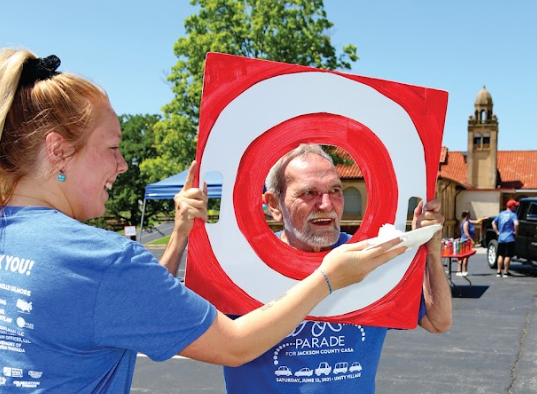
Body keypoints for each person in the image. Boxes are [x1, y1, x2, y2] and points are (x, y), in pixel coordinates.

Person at [0, 49, 406, 393]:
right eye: (112, 147)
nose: (123, 164)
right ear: (57, 150)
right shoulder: (100, 261)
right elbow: (234, 346)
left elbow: (127, 306)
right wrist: (329, 277)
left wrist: (178, 238)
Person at [221, 144, 452, 393]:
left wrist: (430, 250)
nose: (326, 204)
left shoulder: (371, 255)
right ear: (274, 205)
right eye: (309, 193)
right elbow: (198, 337)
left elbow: (437, 320)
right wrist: (181, 237)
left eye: (335, 190)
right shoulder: (244, 266)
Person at [492, 199, 520, 278]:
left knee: (501, 255)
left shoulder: (501, 214)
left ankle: (498, 271)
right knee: (508, 255)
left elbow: (493, 222)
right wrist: (515, 231)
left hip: (501, 238)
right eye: (515, 206)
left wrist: (497, 232)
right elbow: (516, 224)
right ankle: (506, 272)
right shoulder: (513, 215)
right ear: (511, 207)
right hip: (509, 237)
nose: (515, 207)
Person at [457, 210, 476, 276]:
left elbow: (476, 221)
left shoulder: (467, 221)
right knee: (465, 256)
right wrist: (471, 240)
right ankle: (463, 270)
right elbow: (466, 233)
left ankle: (462, 270)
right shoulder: (466, 223)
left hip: (466, 240)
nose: (470, 214)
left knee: (465, 256)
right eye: (469, 213)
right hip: (466, 241)